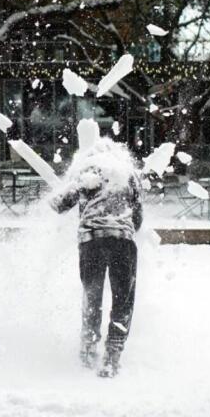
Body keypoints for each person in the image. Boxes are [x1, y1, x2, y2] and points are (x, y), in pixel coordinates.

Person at [49, 137, 142, 378]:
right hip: (123, 241)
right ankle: (113, 355)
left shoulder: (86, 170)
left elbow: (59, 204)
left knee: (92, 296)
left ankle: (88, 349)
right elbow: (138, 217)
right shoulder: (127, 173)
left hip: (91, 241)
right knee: (123, 299)